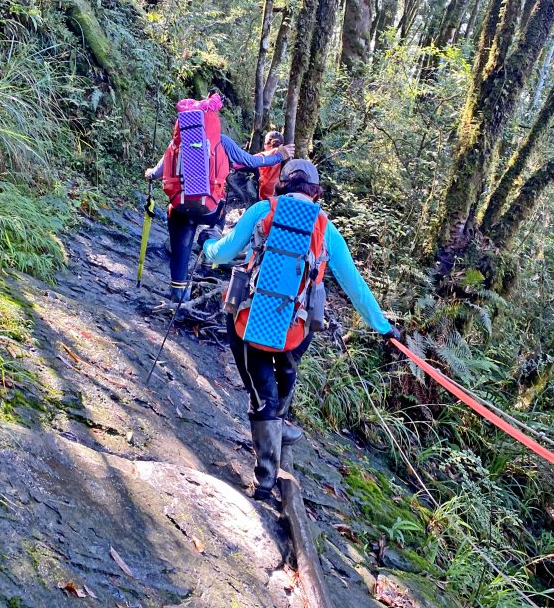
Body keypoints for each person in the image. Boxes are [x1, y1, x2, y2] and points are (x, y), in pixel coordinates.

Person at [202, 159, 400, 500]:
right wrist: (383, 327)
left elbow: (224, 253)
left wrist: (208, 244)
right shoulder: (327, 230)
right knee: (285, 371)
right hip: (297, 329)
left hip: (251, 320)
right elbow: (355, 286)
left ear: (283, 184)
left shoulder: (262, 210)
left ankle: (265, 477)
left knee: (261, 389)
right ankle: (280, 425)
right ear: (315, 191)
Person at [144, 98, 293, 302]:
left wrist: (149, 174)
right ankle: (207, 260)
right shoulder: (221, 141)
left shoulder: (178, 142)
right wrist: (278, 156)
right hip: (209, 210)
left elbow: (157, 172)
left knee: (181, 243)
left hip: (180, 205)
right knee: (220, 210)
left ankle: (177, 293)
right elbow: (250, 161)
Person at [256, 131, 285, 200]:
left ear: (265, 144)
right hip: (281, 194)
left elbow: (248, 161)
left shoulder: (262, 155)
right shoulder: (287, 155)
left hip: (265, 193)